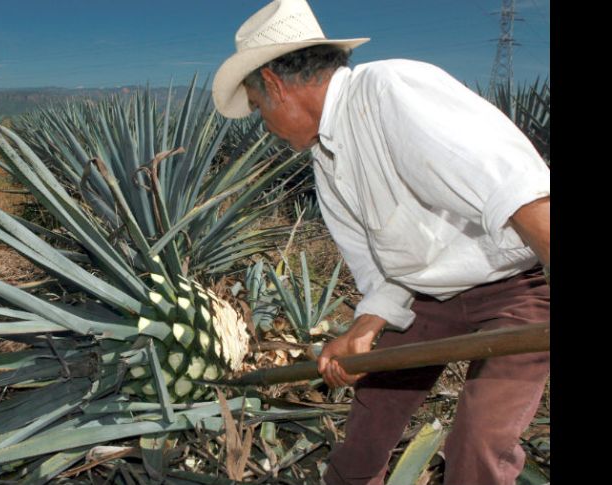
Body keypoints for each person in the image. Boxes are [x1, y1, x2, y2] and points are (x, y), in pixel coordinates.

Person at [211, 1, 550, 484]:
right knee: (367, 433)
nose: (264, 124)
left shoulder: (392, 91)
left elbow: (516, 189)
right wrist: (364, 329)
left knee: (480, 442)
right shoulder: (327, 163)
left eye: (259, 107)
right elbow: (380, 271)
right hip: (426, 300)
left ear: (274, 83)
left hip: (515, 291)